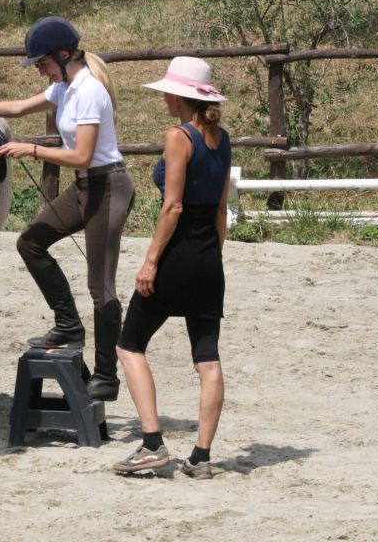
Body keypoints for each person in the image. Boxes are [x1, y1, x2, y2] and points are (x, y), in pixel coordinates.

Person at [0, 16, 135, 402]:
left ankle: (106, 376)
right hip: (87, 185)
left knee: (101, 289)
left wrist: (31, 149)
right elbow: (20, 107)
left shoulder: (89, 91)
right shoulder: (64, 86)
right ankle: (69, 325)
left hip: (108, 186)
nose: (39, 68)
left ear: (63, 54)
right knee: (30, 242)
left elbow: (82, 154)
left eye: (41, 62)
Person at [111, 57, 230, 478]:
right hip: (209, 260)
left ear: (181, 97)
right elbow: (220, 208)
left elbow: (173, 206)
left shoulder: (179, 136)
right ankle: (200, 458)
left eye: (166, 91)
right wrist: (213, 257)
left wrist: (150, 262)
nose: (162, 96)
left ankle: (151, 444)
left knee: (129, 345)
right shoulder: (222, 137)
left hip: (176, 257)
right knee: (208, 359)